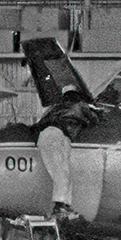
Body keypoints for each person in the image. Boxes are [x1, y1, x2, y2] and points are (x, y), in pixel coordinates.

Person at [34, 84, 104, 222]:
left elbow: (39, 124)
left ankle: (64, 205)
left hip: (51, 136)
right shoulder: (80, 105)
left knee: (65, 174)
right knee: (62, 175)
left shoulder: (54, 107)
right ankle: (59, 207)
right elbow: (96, 120)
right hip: (56, 136)